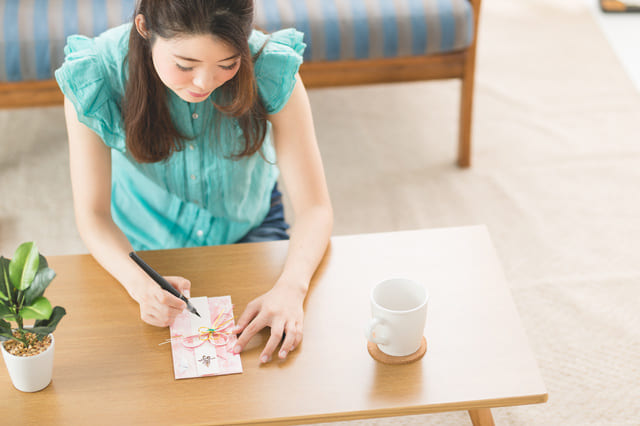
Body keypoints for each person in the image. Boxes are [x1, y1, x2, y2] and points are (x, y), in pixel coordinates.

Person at [55, 0, 332, 364]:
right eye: (185, 65)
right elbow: (92, 214)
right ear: (144, 27)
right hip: (140, 249)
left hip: (248, 226)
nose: (205, 82)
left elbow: (315, 208)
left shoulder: (269, 65)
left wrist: (292, 287)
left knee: (277, 363)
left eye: (227, 63)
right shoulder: (98, 74)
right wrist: (139, 284)